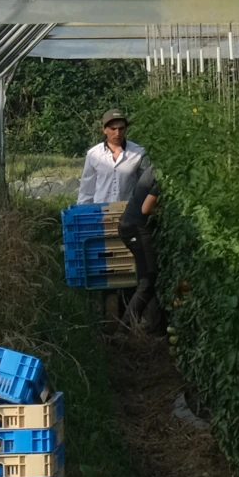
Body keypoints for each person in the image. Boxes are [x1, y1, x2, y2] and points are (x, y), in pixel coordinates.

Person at [117, 164, 163, 332]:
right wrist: (166, 211)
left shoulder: (154, 168)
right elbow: (146, 208)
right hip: (135, 228)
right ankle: (122, 331)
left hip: (132, 225)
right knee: (148, 279)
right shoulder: (162, 175)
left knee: (150, 276)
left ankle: (155, 327)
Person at [77, 109, 149, 206]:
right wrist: (82, 211)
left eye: (121, 128)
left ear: (126, 129)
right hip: (101, 211)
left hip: (128, 210)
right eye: (113, 129)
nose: (117, 133)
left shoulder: (138, 153)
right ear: (105, 130)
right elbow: (87, 189)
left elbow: (146, 185)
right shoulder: (93, 154)